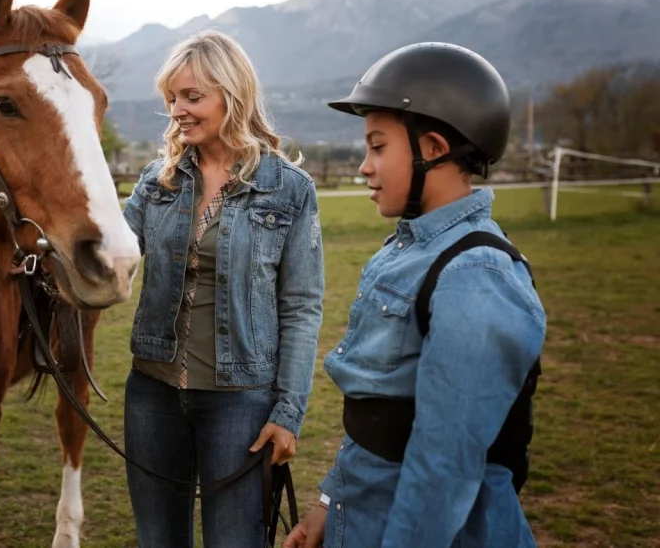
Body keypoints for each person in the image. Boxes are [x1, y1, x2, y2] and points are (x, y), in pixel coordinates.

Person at [283, 42, 546, 548]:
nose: (364, 165)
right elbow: (377, 414)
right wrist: (328, 504)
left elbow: (443, 466)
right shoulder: (407, 251)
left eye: (377, 146)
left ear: (431, 148)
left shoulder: (475, 275)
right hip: (363, 519)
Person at [121, 29, 325, 547]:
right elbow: (110, 259)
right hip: (153, 394)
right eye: (172, 97)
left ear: (233, 97)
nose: (177, 110)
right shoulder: (156, 181)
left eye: (193, 97)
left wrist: (287, 413)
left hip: (241, 402)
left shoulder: (289, 189)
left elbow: (301, 308)